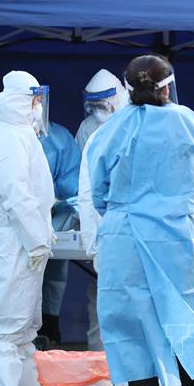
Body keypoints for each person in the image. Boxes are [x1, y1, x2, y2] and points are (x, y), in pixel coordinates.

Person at [87, 54, 194, 386]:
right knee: (190, 320)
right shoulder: (189, 122)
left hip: (125, 237)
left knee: (131, 327)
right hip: (176, 235)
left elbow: (98, 192)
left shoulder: (111, 129)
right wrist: (177, 211)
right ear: (167, 87)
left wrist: (127, 211)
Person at [77, 69, 184, 386]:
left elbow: (92, 198)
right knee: (162, 315)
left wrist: (100, 242)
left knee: (127, 320)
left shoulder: (103, 138)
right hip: (162, 241)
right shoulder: (177, 126)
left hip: (120, 241)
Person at [0, 71, 55, 386]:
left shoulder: (17, 132)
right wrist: (37, 239)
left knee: (24, 321)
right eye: (35, 100)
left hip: (20, 240)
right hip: (13, 241)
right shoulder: (8, 135)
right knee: (8, 321)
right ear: (24, 99)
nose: (39, 106)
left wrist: (40, 234)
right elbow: (16, 195)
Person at [75, 68, 129, 352]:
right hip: (114, 232)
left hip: (128, 231)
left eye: (103, 104)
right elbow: (84, 190)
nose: (98, 111)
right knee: (103, 296)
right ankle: (100, 360)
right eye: (93, 105)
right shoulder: (88, 131)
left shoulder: (132, 123)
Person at [36, 118, 81, 344]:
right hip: (21, 220)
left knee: (53, 274)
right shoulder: (9, 136)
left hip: (56, 217)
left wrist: (53, 198)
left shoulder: (59, 138)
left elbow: (72, 183)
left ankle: (50, 328)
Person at [75, 68, 129, 152]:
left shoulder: (132, 122)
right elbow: (79, 157)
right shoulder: (87, 127)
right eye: (93, 107)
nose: (98, 114)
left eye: (102, 107)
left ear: (119, 100)